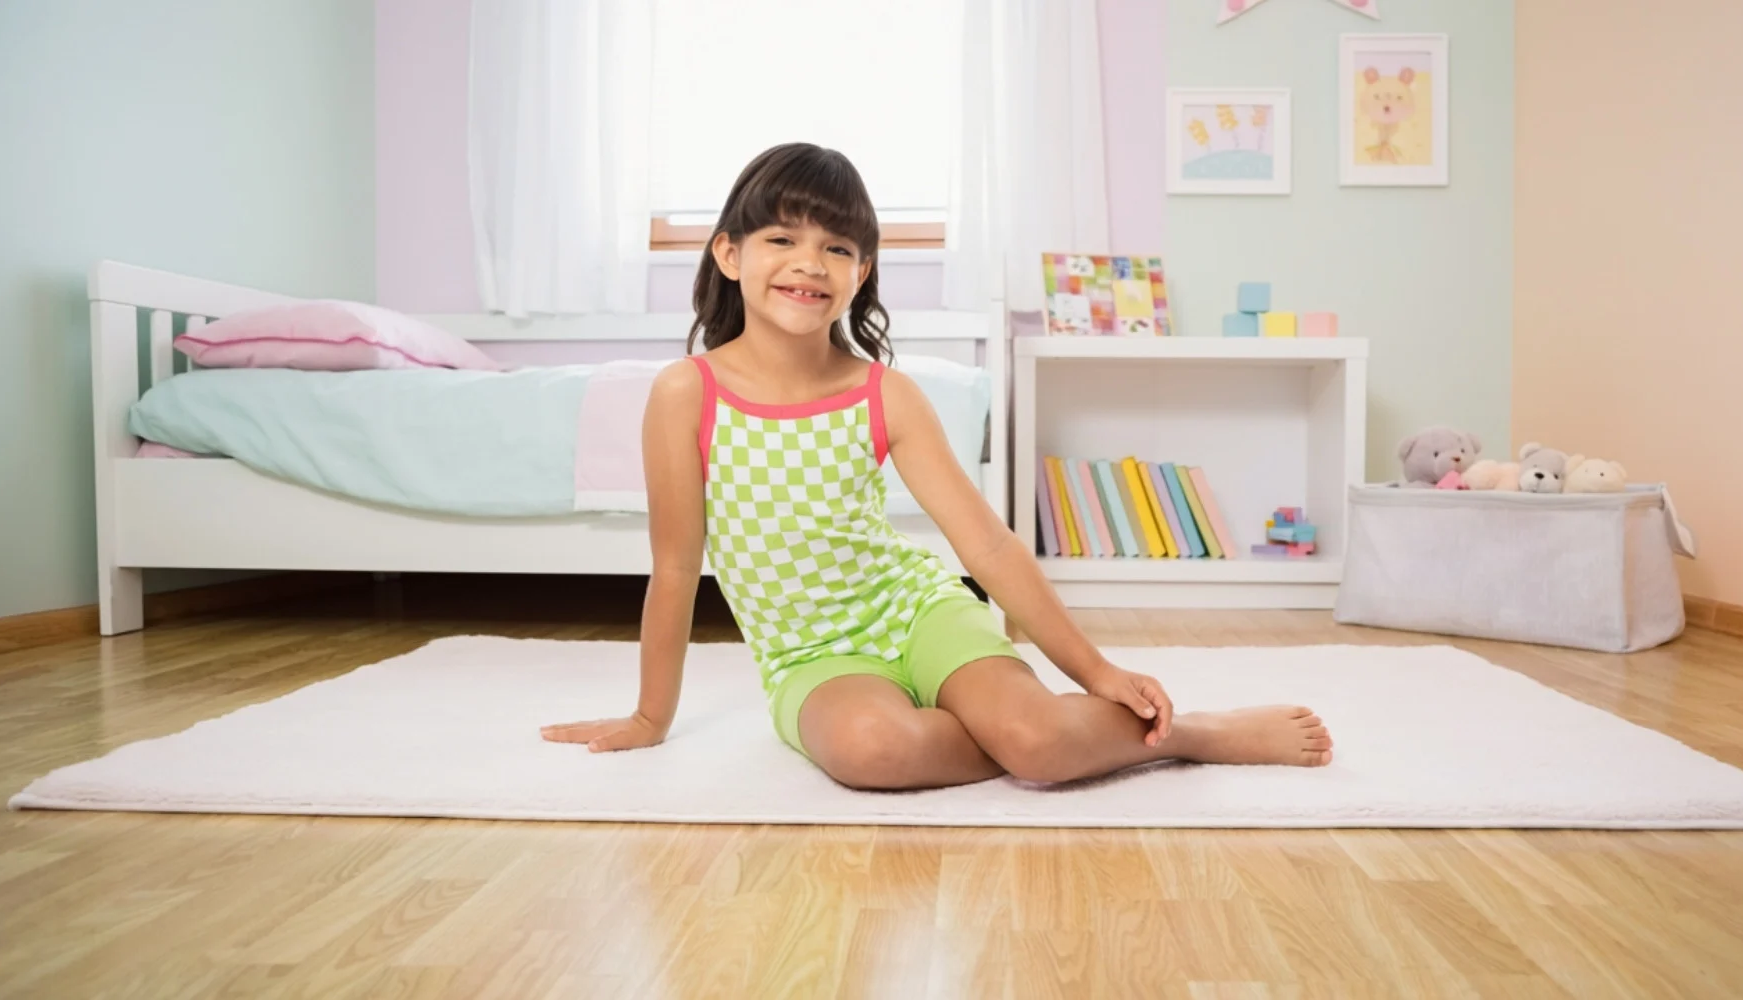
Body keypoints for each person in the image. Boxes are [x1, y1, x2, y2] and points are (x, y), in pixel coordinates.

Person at [542, 143, 1333, 789]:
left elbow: (985, 547)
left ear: (861, 274)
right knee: (871, 752)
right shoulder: (686, 393)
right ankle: (1055, 740)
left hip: (918, 614)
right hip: (812, 658)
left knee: (1036, 737)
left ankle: (1186, 734)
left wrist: (1092, 668)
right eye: (783, 238)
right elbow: (676, 568)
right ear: (729, 252)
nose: (809, 263)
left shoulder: (885, 394)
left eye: (837, 247)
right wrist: (651, 717)